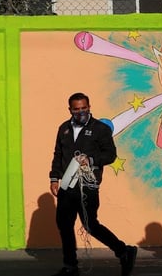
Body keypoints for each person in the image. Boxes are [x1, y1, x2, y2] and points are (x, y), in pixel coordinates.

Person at [48, 92, 137, 276]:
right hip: (66, 186)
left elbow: (110, 155)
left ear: (89, 107)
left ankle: (124, 251)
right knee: (64, 224)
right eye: (76, 109)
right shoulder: (64, 128)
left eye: (84, 108)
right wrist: (54, 178)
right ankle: (70, 266)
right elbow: (58, 155)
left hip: (87, 187)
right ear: (70, 110)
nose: (80, 112)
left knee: (90, 225)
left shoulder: (100, 129)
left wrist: (90, 159)